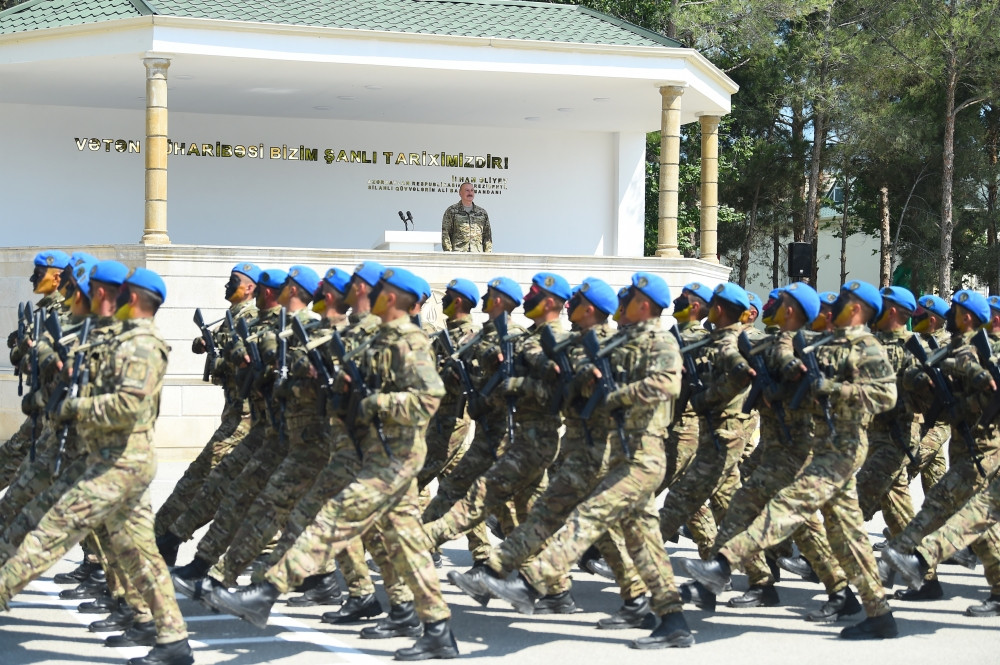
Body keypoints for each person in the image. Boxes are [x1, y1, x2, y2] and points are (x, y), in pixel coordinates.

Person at [441, 181, 492, 252]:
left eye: (472, 190)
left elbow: (487, 236)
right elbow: (446, 234)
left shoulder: (482, 213)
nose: (470, 193)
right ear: (460, 193)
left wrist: (487, 255)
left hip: (477, 255)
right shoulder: (452, 211)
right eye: (467, 190)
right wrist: (449, 254)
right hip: (458, 255)